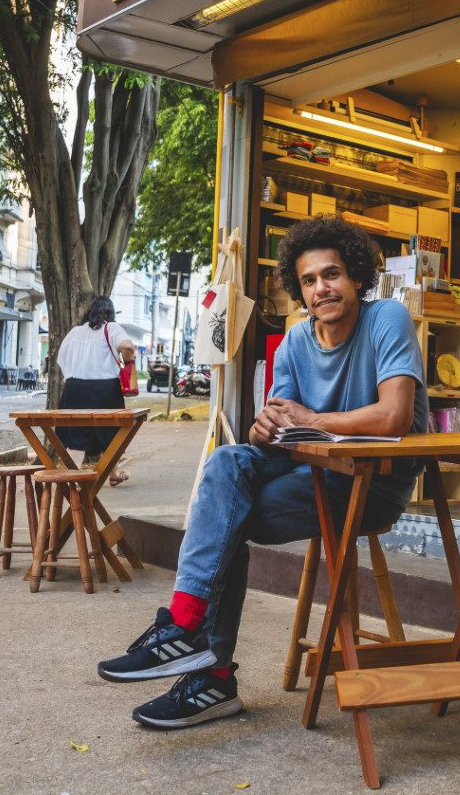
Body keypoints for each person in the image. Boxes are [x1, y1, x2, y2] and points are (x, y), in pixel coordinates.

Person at [96, 216, 427, 730]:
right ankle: (188, 631)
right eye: (310, 281)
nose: (322, 288)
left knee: (225, 518)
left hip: (372, 484)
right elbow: (281, 430)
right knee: (228, 461)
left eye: (332, 274)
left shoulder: (386, 319)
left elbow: (393, 416)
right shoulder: (296, 341)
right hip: (308, 473)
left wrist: (310, 419)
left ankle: (209, 669)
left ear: (357, 276)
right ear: (300, 290)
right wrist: (263, 427)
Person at [56, 297, 137, 483]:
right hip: (105, 389)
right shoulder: (112, 328)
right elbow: (128, 346)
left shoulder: (75, 332)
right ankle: (112, 474)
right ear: (110, 312)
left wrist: (73, 375)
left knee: (73, 434)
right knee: (111, 434)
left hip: (74, 388)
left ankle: (71, 476)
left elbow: (61, 359)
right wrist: (127, 360)